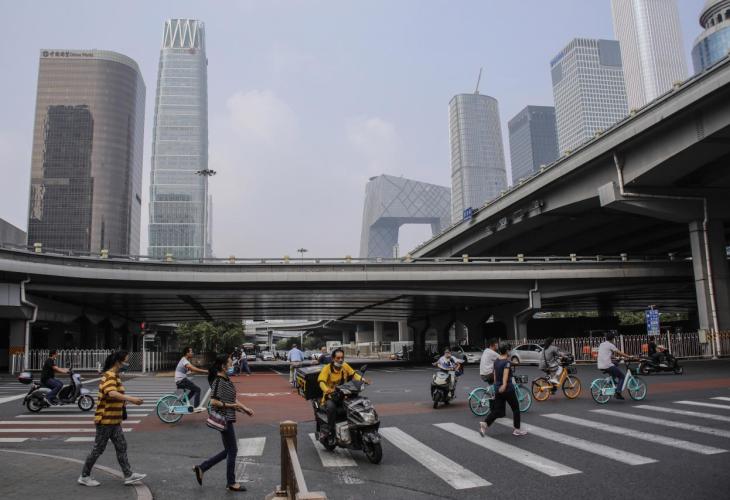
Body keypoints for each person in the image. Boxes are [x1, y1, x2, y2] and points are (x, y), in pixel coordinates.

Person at [78, 350, 146, 487]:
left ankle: (128, 475)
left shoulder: (115, 376)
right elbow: (111, 393)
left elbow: (114, 395)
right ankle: (84, 476)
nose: (127, 364)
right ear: (117, 362)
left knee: (121, 446)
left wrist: (123, 402)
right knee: (98, 449)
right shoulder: (110, 375)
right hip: (105, 420)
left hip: (114, 420)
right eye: (126, 361)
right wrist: (131, 399)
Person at [193, 354, 254, 492]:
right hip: (224, 418)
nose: (232, 366)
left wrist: (244, 408)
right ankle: (231, 483)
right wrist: (232, 406)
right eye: (230, 364)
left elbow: (232, 399)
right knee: (233, 450)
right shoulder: (219, 381)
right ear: (223, 366)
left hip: (228, 417)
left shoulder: (226, 379)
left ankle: (202, 467)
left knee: (228, 450)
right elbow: (214, 401)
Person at [318, 348, 370, 445]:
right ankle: (331, 433)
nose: (340, 360)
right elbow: (321, 382)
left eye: (342, 357)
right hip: (331, 396)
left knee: (358, 404)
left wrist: (363, 380)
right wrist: (327, 389)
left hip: (345, 394)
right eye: (338, 358)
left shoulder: (345, 366)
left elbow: (354, 375)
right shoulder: (327, 368)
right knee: (331, 408)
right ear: (333, 358)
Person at [479, 342, 526, 437]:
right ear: (507, 351)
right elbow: (505, 374)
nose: (510, 352)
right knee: (516, 408)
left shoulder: (496, 361)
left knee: (498, 411)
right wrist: (504, 385)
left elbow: (495, 375)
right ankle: (517, 429)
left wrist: (496, 386)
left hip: (498, 388)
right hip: (507, 389)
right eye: (510, 350)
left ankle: (485, 423)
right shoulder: (506, 362)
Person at [597, 333, 631, 400]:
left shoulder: (602, 344)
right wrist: (628, 356)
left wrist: (615, 357)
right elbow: (619, 352)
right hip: (607, 365)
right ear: (612, 339)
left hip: (600, 365)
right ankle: (618, 393)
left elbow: (606, 354)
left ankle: (612, 379)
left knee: (616, 363)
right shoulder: (611, 345)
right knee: (622, 377)